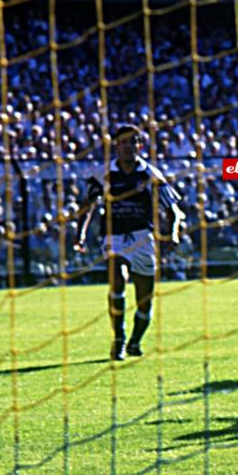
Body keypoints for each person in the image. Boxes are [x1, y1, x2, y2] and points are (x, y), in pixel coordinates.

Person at [75, 123, 186, 360]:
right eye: (123, 142)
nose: (127, 146)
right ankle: (119, 339)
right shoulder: (104, 173)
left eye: (131, 142)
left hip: (143, 238)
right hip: (113, 236)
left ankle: (135, 341)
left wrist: (174, 232)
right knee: (117, 276)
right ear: (116, 145)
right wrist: (80, 233)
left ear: (139, 145)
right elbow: (87, 206)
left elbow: (173, 210)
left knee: (144, 300)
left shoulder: (149, 174)